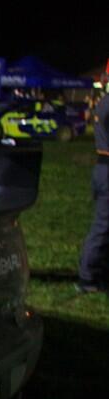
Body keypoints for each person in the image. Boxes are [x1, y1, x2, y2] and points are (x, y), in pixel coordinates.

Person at [77, 91, 109, 293]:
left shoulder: (104, 101)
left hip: (102, 168)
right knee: (103, 226)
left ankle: (99, 274)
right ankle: (87, 277)